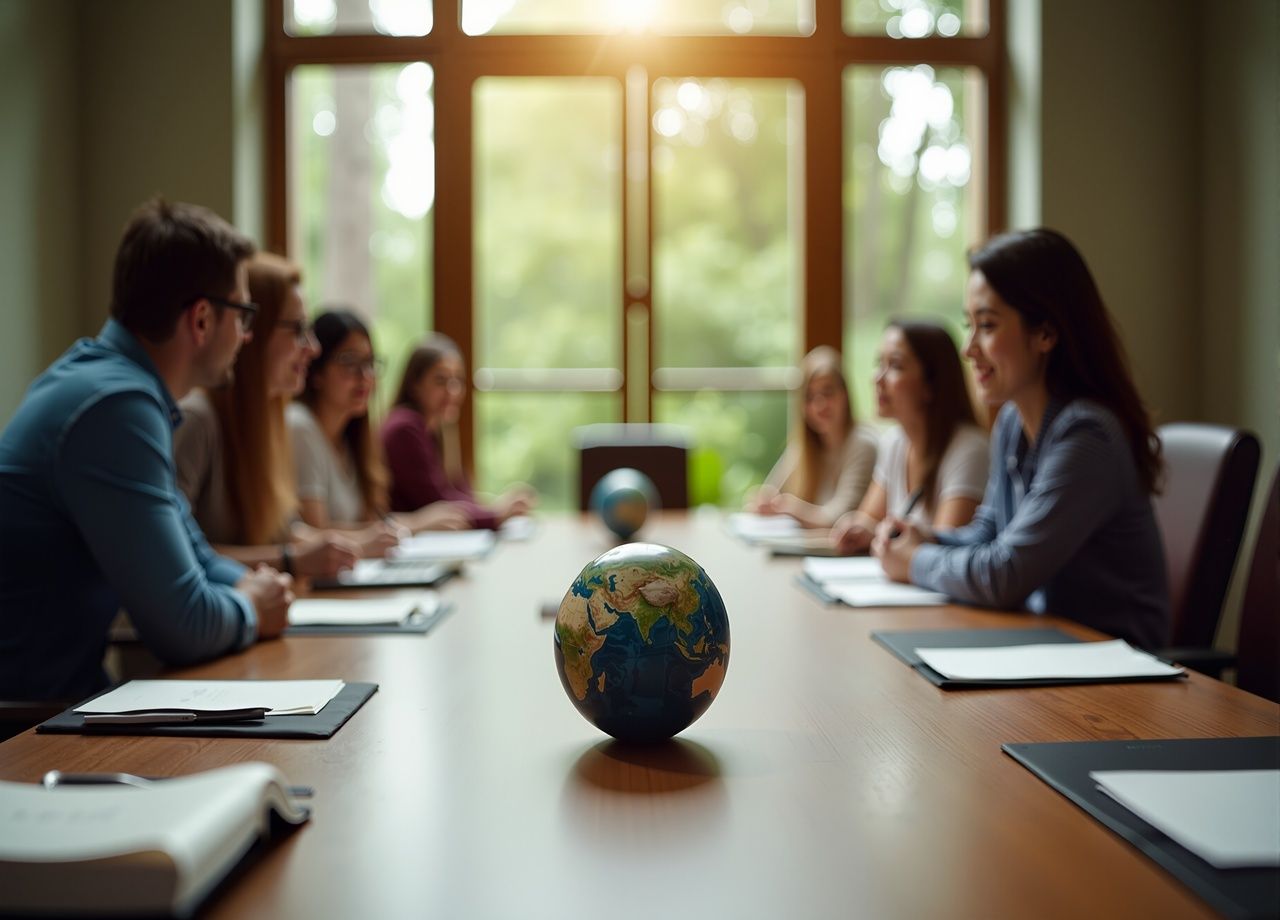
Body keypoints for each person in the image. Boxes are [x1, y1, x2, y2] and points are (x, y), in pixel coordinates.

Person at [0, 199, 293, 700]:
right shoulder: (114, 407)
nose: (246, 336)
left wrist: (258, 585)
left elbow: (195, 557)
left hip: (60, 705)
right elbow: (184, 627)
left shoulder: (107, 385)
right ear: (202, 319)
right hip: (26, 725)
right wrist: (251, 606)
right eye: (243, 315)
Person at [873, 228, 1170, 649]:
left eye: (987, 326)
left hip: (1110, 665)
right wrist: (926, 538)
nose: (969, 349)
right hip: (1046, 645)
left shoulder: (1087, 435)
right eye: (969, 325)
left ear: (1045, 333)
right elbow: (989, 533)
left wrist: (915, 560)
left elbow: (1006, 575)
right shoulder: (1013, 422)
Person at [173, 253, 361, 577]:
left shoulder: (273, 424)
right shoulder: (197, 420)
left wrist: (341, 547)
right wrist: (289, 560)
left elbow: (285, 531)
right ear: (251, 331)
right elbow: (174, 556)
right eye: (298, 329)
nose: (313, 347)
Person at [287, 309, 468, 534]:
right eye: (349, 361)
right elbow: (319, 536)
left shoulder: (352, 438)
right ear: (316, 370)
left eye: (370, 363)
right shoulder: (301, 427)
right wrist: (415, 524)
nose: (365, 376)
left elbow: (371, 521)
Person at [831, 320, 989, 554]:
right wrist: (862, 530)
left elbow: (941, 555)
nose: (877, 378)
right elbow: (869, 519)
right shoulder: (894, 442)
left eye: (895, 366)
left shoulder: (970, 450)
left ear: (931, 384)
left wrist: (882, 536)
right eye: (879, 364)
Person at [382, 334, 535, 530]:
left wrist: (496, 506)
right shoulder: (405, 429)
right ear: (415, 384)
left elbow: (459, 491)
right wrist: (497, 513)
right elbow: (438, 503)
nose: (452, 391)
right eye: (440, 380)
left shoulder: (437, 429)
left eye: (458, 380)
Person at [748, 345, 878, 528]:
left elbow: (842, 516)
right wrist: (763, 502)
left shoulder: (863, 443)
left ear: (845, 394)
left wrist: (789, 508)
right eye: (809, 397)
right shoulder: (805, 445)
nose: (819, 405)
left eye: (827, 392)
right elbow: (770, 492)